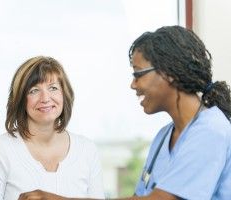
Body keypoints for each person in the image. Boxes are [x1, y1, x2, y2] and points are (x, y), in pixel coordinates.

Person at [18, 26, 231, 200]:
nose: (133, 84)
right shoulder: (164, 137)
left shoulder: (210, 131)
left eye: (138, 74)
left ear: (169, 73)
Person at [0, 56, 105, 200]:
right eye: (34, 90)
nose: (45, 98)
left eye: (53, 88)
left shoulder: (87, 150)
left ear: (64, 95)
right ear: (20, 99)